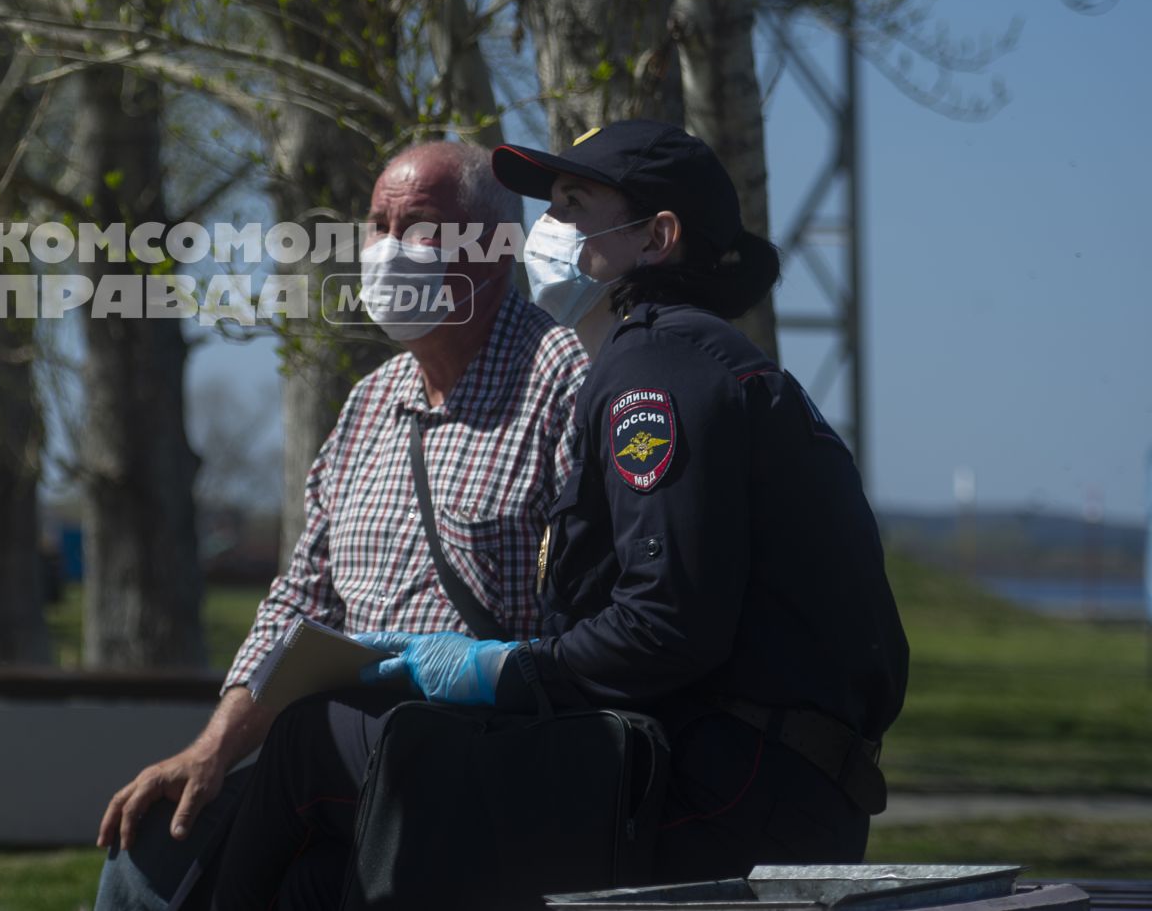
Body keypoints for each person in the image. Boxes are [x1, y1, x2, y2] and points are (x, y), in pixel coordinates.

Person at [213, 120, 909, 908]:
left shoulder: (655, 372)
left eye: (574, 206)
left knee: (314, 744)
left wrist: (503, 669)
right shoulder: (695, 358)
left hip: (722, 793)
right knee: (318, 877)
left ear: (658, 237)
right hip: (753, 777)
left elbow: (665, 624)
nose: (547, 230)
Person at [93, 140, 587, 911]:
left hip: (474, 767)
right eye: (376, 225)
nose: (388, 251)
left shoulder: (561, 380)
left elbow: (597, 621)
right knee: (148, 855)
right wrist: (210, 750)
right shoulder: (368, 405)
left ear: (494, 250)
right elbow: (299, 600)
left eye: (418, 227)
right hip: (330, 763)